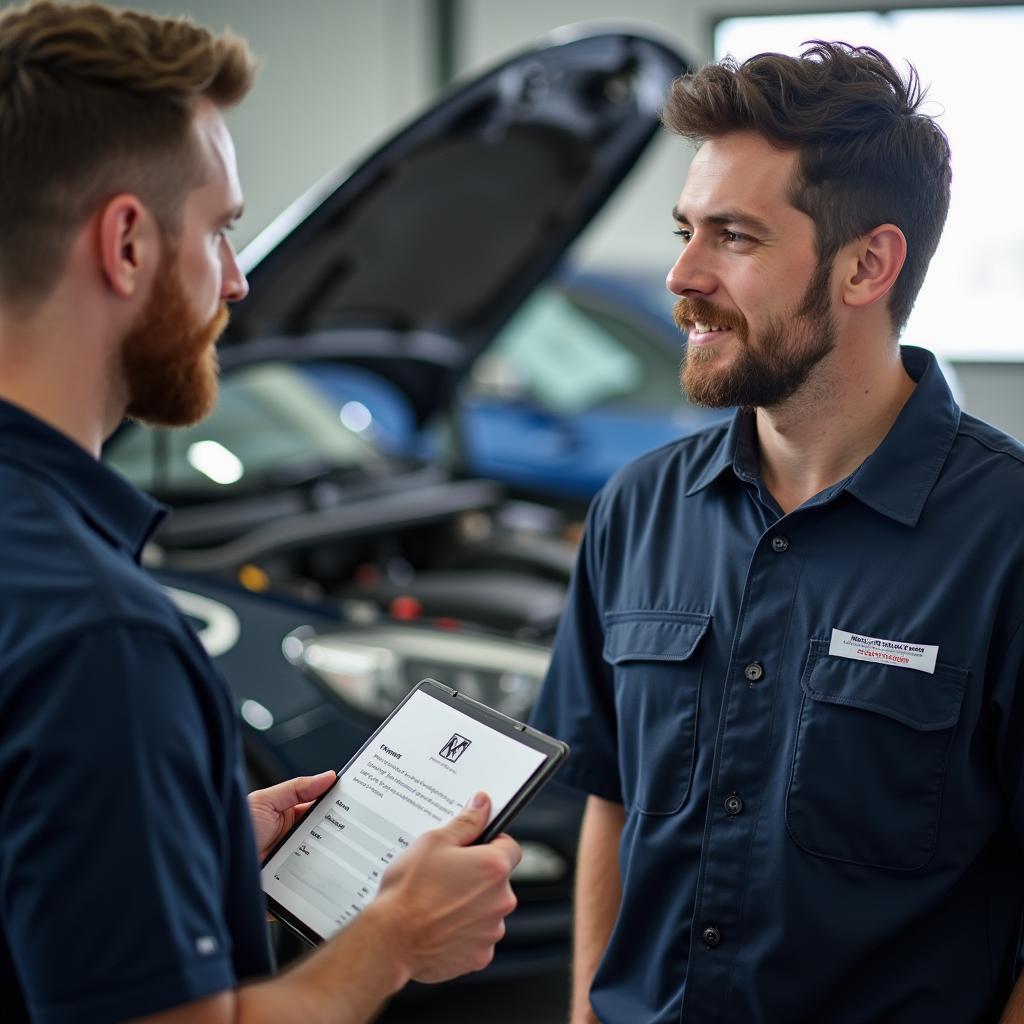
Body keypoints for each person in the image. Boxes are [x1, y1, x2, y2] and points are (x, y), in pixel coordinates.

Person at [0, 3, 520, 1022]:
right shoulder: (101, 635)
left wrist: (177, 840)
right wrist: (393, 938)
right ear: (127, 242)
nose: (236, 282)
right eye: (224, 230)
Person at [531, 40, 1024, 1024]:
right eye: (685, 230)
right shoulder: (636, 509)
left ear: (866, 265)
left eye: (734, 238)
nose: (681, 274)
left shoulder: (1005, 536)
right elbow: (612, 803)